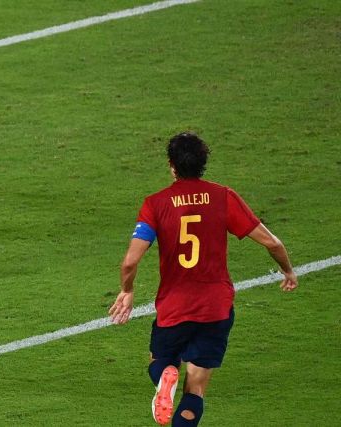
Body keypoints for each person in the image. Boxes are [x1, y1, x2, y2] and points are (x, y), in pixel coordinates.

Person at [107, 132, 298, 426]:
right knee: (195, 389)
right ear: (203, 163)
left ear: (172, 166)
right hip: (216, 308)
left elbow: (130, 261)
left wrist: (127, 290)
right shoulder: (223, 197)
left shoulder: (155, 204)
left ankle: (164, 375)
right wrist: (287, 270)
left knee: (160, 363)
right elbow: (272, 242)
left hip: (174, 308)